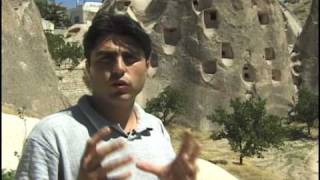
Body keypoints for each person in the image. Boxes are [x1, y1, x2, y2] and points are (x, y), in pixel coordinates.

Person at [15, 11, 200, 180]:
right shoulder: (51, 136)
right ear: (88, 68)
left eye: (130, 58)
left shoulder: (155, 128)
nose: (119, 68)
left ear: (148, 65)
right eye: (106, 58)